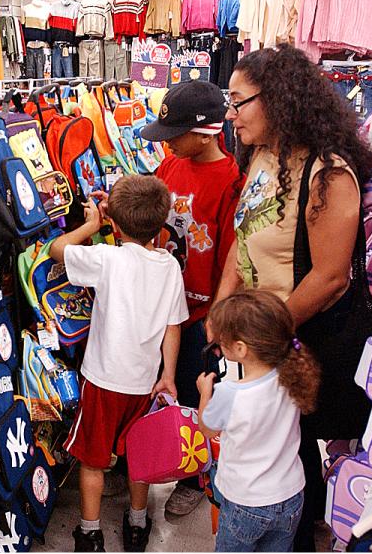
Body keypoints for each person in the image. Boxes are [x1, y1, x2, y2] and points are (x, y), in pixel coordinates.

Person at [215, 44, 372, 550]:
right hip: (261, 337)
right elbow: (244, 235)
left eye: (239, 100)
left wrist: (263, 334)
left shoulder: (328, 172)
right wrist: (223, 312)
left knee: (296, 463)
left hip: (301, 340)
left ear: (278, 99)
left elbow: (330, 278)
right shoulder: (265, 156)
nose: (230, 112)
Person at [49, 174, 189, 552]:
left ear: (114, 223)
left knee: (93, 460)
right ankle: (138, 524)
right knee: (139, 456)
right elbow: (173, 326)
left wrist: (93, 223)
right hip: (145, 383)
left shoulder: (106, 258)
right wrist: (169, 376)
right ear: (160, 225)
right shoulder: (170, 267)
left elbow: (57, 250)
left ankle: (90, 532)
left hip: (102, 381)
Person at [140, 79, 244, 517]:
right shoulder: (171, 166)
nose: (166, 144)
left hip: (200, 312)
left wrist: (217, 316)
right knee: (153, 384)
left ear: (204, 133)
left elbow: (231, 256)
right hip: (161, 306)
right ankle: (143, 455)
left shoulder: (230, 181)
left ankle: (193, 475)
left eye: (173, 135)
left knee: (192, 392)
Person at [198, 289, 320, 552]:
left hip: (246, 501)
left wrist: (204, 392)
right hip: (291, 495)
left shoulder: (229, 393)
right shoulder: (292, 376)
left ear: (240, 349)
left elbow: (207, 428)